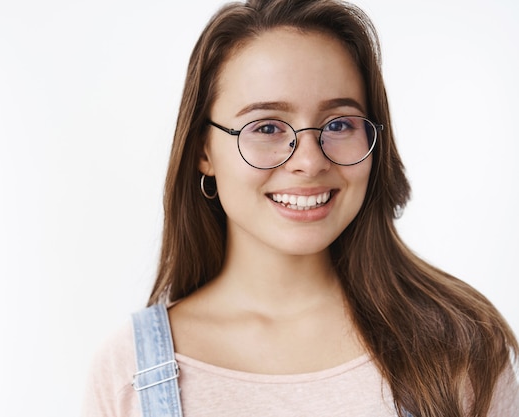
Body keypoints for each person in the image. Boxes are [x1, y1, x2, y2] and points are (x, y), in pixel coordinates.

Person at [82, 0, 519, 416]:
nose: (310, 161)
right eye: (267, 127)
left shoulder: (460, 346)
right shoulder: (130, 373)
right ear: (204, 150)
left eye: (339, 124)